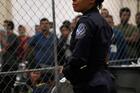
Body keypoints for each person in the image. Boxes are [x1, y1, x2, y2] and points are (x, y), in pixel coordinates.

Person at [62, 0, 116, 93]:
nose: (73, 0)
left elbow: (79, 57)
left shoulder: (86, 21)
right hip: (103, 77)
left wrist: (66, 70)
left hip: (89, 81)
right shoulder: (102, 21)